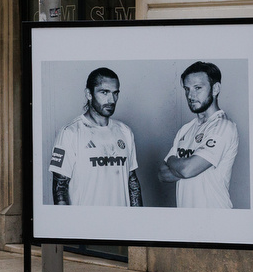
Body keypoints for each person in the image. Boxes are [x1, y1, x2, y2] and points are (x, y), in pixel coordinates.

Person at [51, 67, 142, 207]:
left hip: (122, 224)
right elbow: (60, 188)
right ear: (89, 94)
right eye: (104, 92)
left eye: (115, 93)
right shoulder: (70, 133)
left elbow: (132, 182)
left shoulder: (125, 132)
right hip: (85, 225)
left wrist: (138, 220)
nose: (111, 100)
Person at [158, 61, 239, 208]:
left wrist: (172, 159)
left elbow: (187, 170)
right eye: (187, 89)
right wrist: (188, 167)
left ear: (215, 89)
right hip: (186, 220)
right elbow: (162, 174)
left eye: (197, 88)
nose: (190, 95)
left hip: (214, 219)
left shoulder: (224, 127)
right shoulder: (185, 129)